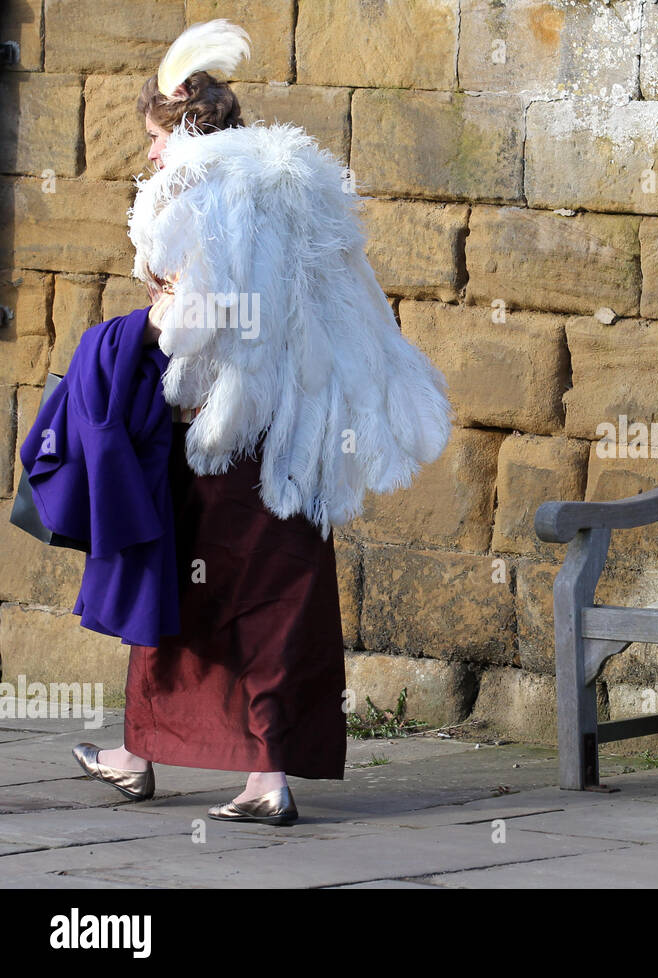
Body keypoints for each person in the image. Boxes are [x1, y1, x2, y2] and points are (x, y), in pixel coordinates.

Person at [70, 20, 452, 825]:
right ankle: (256, 774)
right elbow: (345, 308)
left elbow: (184, 324)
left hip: (213, 431)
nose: (146, 156)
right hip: (295, 430)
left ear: (182, 131)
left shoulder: (190, 196)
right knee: (280, 598)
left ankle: (151, 756)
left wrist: (117, 341)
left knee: (175, 585)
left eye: (150, 138)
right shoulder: (297, 185)